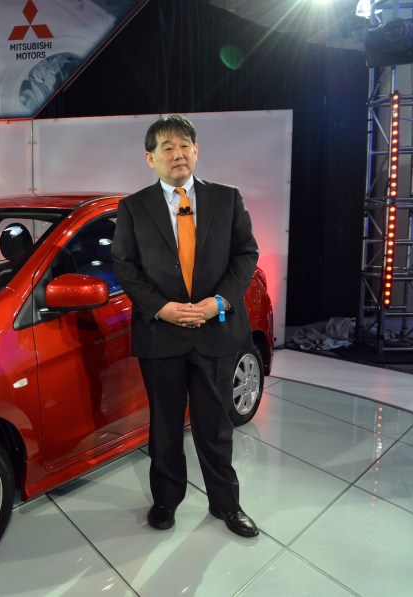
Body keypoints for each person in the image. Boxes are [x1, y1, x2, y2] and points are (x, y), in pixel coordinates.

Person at [111, 114, 260, 538]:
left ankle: (226, 505)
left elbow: (245, 255)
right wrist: (161, 308)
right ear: (150, 158)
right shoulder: (133, 207)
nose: (177, 154)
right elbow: (126, 265)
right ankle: (165, 501)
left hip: (215, 330)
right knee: (165, 426)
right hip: (162, 333)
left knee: (216, 426)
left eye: (184, 146)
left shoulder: (227, 199)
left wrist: (219, 303)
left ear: (196, 151)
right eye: (166, 147)